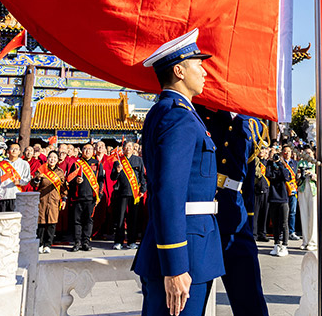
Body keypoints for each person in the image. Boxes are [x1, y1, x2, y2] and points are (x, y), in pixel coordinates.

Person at [132, 28, 224, 316]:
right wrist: (175, 266)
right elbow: (168, 194)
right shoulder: (178, 117)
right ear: (179, 71)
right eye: (198, 64)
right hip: (186, 248)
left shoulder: (171, 111)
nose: (205, 72)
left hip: (189, 242)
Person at [196, 107, 270, 316]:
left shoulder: (250, 122)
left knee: (251, 300)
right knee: (193, 301)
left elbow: (247, 179)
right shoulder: (199, 111)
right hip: (204, 215)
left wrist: (249, 219)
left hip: (236, 218)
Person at [66, 143, 104, 252]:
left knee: (88, 220)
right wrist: (76, 181)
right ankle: (77, 242)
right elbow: (69, 179)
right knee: (77, 221)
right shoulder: (77, 164)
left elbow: (101, 181)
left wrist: (99, 195)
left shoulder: (97, 164)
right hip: (78, 197)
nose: (87, 151)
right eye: (85, 149)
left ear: (93, 151)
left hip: (91, 197)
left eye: (89, 149)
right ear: (81, 150)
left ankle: (86, 242)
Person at [110, 141, 146, 250]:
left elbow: (142, 177)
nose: (128, 148)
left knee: (133, 219)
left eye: (130, 146)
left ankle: (131, 241)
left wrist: (143, 189)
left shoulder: (138, 160)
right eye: (126, 147)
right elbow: (113, 177)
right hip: (122, 193)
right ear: (123, 148)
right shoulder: (118, 161)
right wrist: (117, 171)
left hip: (135, 193)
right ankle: (118, 241)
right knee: (120, 218)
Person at [31, 151, 67, 254]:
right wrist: (37, 179)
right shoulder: (41, 169)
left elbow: (63, 188)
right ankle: (40, 244)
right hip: (42, 199)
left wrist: (64, 199)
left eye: (55, 158)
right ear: (47, 158)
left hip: (54, 200)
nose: (52, 159)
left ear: (57, 159)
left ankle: (48, 244)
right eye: (50, 157)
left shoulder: (60, 172)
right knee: (41, 223)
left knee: (52, 222)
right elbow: (34, 184)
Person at [265, 148, 291, 256]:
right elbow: (270, 175)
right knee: (275, 223)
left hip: (283, 198)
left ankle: (284, 246)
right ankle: (276, 244)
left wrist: (280, 163)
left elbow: (286, 177)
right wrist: (271, 162)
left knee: (284, 223)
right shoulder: (269, 165)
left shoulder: (283, 165)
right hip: (273, 198)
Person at [0, 143, 31, 212]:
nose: (14, 151)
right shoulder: (1, 165)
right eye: (12, 149)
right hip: (3, 196)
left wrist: (20, 182)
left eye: (16, 149)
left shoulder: (24, 164)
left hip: (17, 196)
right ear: (8, 151)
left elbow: (27, 179)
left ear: (19, 152)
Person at [297, 145, 319, 249]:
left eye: (309, 153)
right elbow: (296, 176)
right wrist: (299, 175)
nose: (308, 155)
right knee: (304, 214)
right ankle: (305, 241)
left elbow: (321, 178)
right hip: (302, 188)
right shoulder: (300, 163)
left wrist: (312, 175)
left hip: (313, 189)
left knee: (313, 215)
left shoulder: (316, 164)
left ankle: (313, 241)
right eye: (305, 153)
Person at [251, 147, 270, 242]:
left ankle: (262, 233)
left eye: (263, 150)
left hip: (266, 190)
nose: (261, 151)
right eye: (260, 149)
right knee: (255, 213)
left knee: (264, 213)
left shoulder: (268, 162)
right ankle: (254, 234)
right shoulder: (254, 160)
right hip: (256, 190)